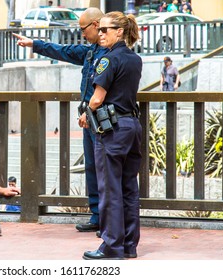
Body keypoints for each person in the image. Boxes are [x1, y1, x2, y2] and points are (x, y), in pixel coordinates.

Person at [13, 7, 108, 234]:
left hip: (105, 121)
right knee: (93, 169)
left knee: (107, 170)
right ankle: (97, 216)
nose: (82, 33)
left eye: (83, 29)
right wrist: (33, 44)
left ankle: (109, 219)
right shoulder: (90, 52)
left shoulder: (111, 55)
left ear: (96, 25)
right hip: (89, 120)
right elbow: (63, 50)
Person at [79, 11, 142, 260]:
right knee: (129, 188)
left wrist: (86, 113)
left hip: (112, 130)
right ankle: (129, 245)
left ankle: (111, 246)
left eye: (105, 29)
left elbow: (97, 97)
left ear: (120, 31)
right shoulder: (135, 59)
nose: (101, 33)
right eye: (100, 29)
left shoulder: (107, 60)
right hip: (132, 126)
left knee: (109, 190)